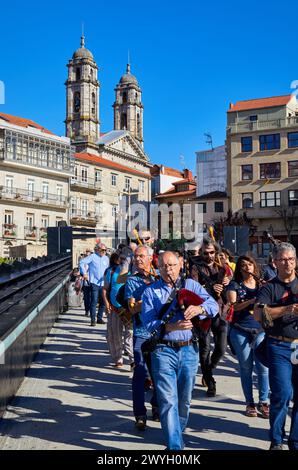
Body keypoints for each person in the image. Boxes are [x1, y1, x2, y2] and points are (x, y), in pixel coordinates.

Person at [141, 250, 219, 450]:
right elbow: (148, 324)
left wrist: (199, 309)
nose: (169, 269)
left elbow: (214, 306)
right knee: (168, 400)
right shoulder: (150, 291)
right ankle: (175, 447)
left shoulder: (191, 285)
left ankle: (176, 432)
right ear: (158, 268)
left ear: (180, 266)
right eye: (164, 266)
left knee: (184, 400)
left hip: (189, 350)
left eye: (172, 265)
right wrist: (170, 326)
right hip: (163, 350)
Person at [254, 242, 298, 451]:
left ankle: (295, 440)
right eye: (283, 259)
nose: (287, 263)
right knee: (282, 393)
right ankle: (277, 440)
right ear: (275, 262)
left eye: (290, 259)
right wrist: (286, 309)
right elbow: (258, 313)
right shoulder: (269, 287)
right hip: (278, 344)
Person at [226, 255, 269, 418]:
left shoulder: (261, 284)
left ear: (254, 266)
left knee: (263, 368)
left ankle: (264, 402)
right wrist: (251, 301)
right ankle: (249, 403)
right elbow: (234, 307)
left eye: (249, 264)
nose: (247, 267)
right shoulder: (234, 285)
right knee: (246, 367)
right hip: (240, 329)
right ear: (239, 268)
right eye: (243, 265)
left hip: (260, 330)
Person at [124, 245, 159, 430]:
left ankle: (157, 406)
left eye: (141, 256)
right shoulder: (132, 281)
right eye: (135, 257)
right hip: (141, 333)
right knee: (139, 373)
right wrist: (147, 295)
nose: (138, 260)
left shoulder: (160, 275)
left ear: (150, 258)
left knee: (158, 374)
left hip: (159, 333)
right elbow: (132, 308)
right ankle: (139, 414)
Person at [192, 237, 232, 397]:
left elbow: (232, 289)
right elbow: (193, 288)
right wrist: (209, 287)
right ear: (201, 252)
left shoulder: (223, 267)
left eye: (211, 252)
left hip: (221, 312)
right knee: (205, 349)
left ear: (216, 252)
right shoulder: (196, 267)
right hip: (204, 313)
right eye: (205, 253)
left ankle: (208, 370)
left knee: (221, 349)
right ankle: (210, 382)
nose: (209, 256)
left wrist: (228, 283)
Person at [103, 253, 134, 368]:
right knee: (115, 335)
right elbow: (105, 289)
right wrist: (106, 304)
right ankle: (118, 358)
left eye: (125, 259)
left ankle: (132, 359)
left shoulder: (133, 272)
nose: (122, 261)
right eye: (121, 258)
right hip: (115, 308)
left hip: (129, 309)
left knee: (130, 334)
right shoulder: (111, 272)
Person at [79, 243, 110, 326]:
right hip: (94, 282)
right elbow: (82, 262)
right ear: (98, 249)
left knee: (103, 302)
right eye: (102, 250)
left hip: (103, 283)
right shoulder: (93, 257)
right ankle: (93, 320)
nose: (104, 252)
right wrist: (84, 273)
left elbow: (109, 269)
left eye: (105, 250)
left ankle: (99, 318)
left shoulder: (106, 258)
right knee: (94, 301)